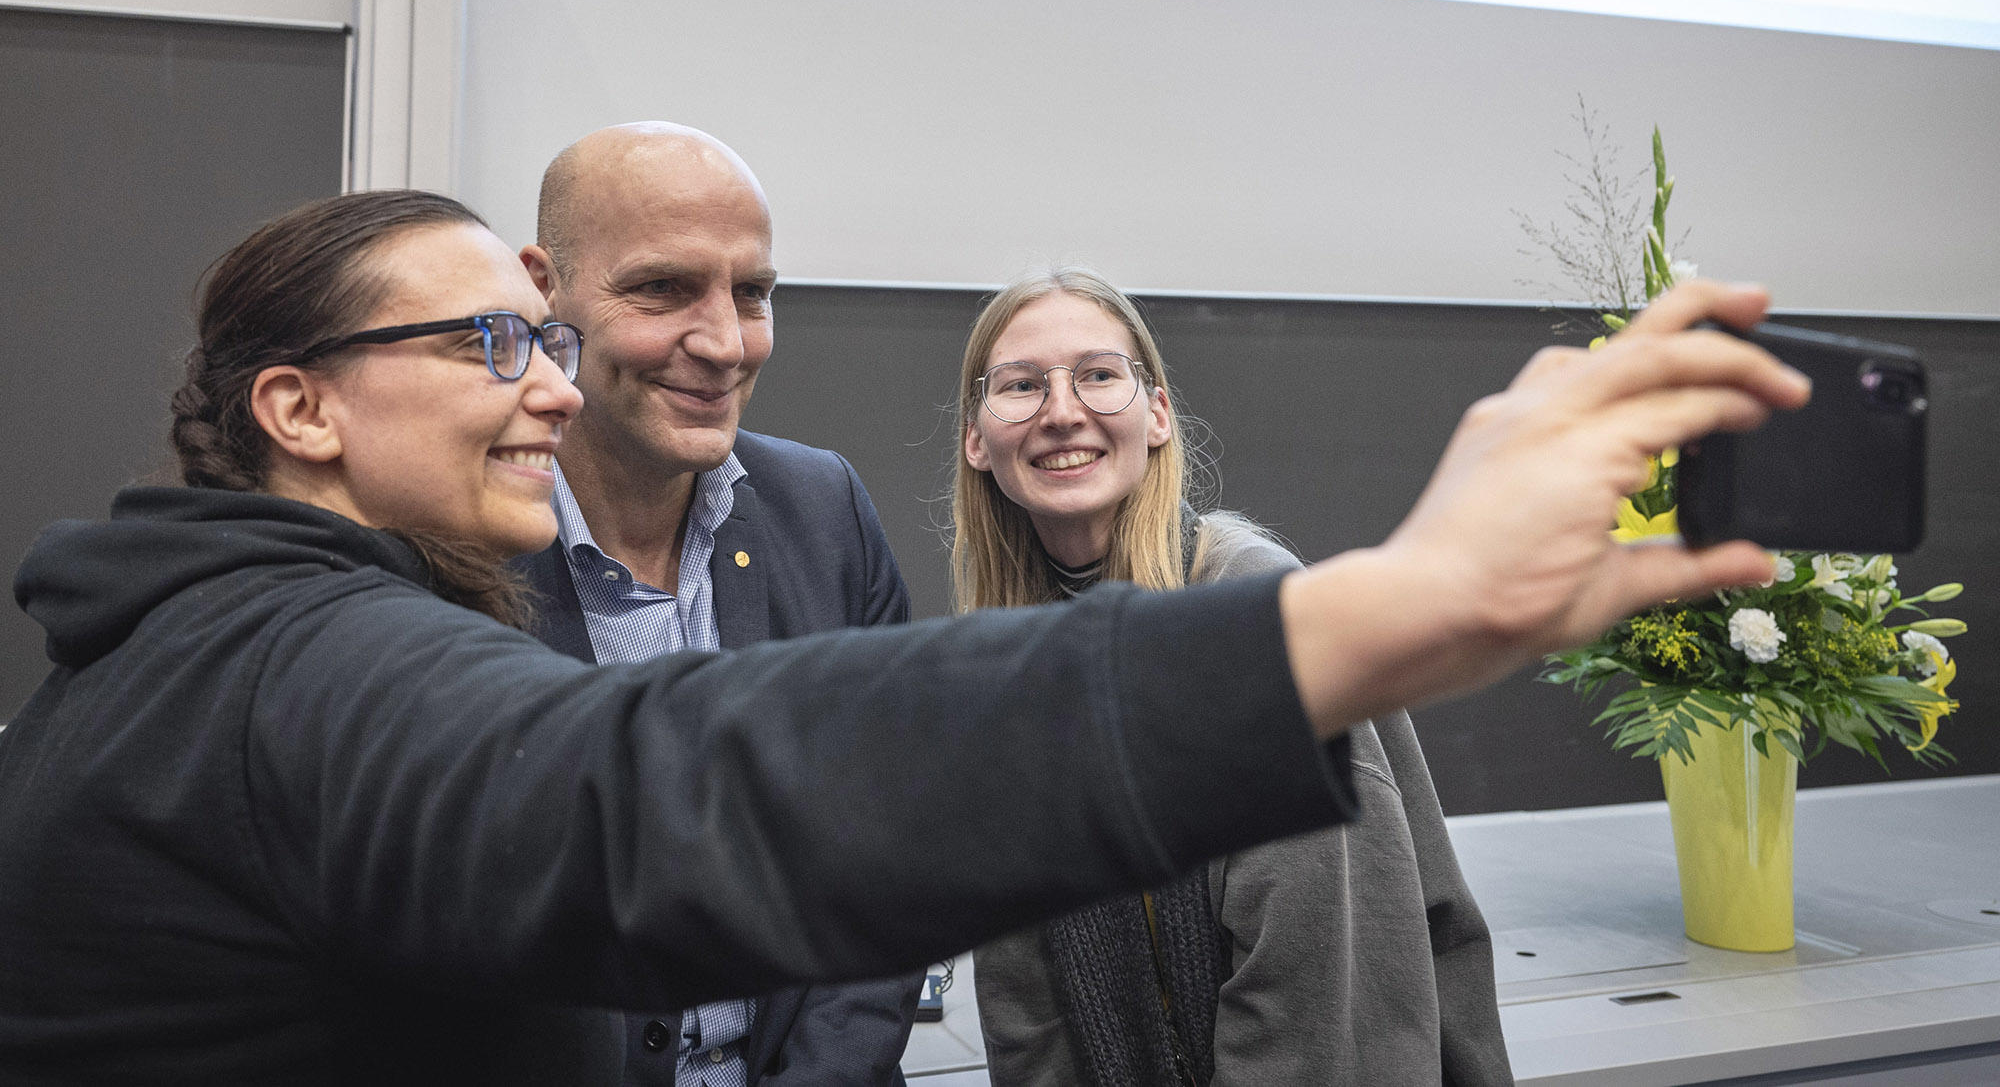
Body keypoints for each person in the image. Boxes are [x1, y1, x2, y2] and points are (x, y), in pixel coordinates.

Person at [0, 188, 1806, 1084]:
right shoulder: (281, 666)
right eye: (491, 346)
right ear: (301, 409)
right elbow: (653, 787)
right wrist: (1381, 612)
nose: (554, 388)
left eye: (545, 339)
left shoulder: (191, 639)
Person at [954, 270, 1510, 1085]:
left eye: (1099, 374)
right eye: (1022, 385)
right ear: (977, 437)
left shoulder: (1252, 610)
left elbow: (1305, 1007)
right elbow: (1025, 1008)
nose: (1062, 410)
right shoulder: (1000, 666)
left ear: (1158, 414)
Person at [513, 122, 922, 1086]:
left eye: (753, 294)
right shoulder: (451, 548)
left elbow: (892, 858)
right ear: (543, 288)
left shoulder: (823, 509)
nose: (725, 343)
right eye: (661, 288)